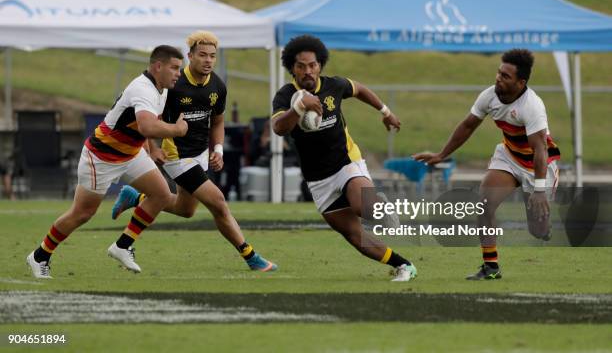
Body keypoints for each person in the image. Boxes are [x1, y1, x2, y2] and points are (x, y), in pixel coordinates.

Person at [111, 31, 277, 272]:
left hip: (200, 154)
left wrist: (217, 149)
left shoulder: (218, 86)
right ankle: (251, 256)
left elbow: (218, 121)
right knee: (218, 202)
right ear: (190, 56)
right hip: (176, 155)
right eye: (202, 55)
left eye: (212, 56)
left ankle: (135, 197)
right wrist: (152, 148)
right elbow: (146, 119)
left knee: (185, 209)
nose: (208, 60)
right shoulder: (173, 86)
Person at [26, 45, 188, 279]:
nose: (178, 74)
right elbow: (146, 126)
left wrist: (151, 149)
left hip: (131, 154)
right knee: (82, 213)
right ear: (157, 66)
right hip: (101, 158)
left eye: (179, 69)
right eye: (174, 68)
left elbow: (147, 122)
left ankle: (122, 246)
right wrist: (178, 130)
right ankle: (40, 256)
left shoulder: (160, 89)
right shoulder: (143, 89)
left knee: (161, 195)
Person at [271, 34, 417, 282]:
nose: (308, 71)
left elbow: (359, 89)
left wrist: (385, 111)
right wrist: (298, 108)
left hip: (346, 163)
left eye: (313, 65)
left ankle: (381, 205)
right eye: (301, 66)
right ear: (292, 69)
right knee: (353, 233)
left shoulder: (334, 86)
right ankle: (405, 266)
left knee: (362, 205)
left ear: (320, 65)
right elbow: (278, 127)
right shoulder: (286, 96)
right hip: (318, 179)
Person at [413, 49, 560, 280]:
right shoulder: (489, 96)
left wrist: (539, 190)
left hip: (537, 165)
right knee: (483, 204)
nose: (498, 78)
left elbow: (540, 150)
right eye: (499, 72)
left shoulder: (532, 106)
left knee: (537, 230)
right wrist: (442, 154)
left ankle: (544, 227)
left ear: (521, 82)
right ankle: (491, 267)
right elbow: (468, 126)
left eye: (505, 76)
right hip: (509, 157)